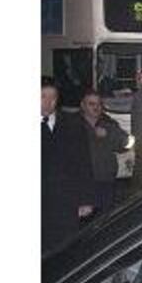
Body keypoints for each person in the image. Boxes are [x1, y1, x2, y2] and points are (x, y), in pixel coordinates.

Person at [42, 78, 94, 253]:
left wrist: (86, 199)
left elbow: (84, 163)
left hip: (66, 201)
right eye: (42, 97)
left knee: (66, 251)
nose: (48, 103)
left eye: (53, 97)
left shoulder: (72, 124)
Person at [79, 90, 129, 216]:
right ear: (83, 105)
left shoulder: (109, 123)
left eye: (99, 104)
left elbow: (128, 143)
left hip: (106, 180)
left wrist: (109, 135)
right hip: (82, 181)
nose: (96, 107)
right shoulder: (73, 124)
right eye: (91, 104)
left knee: (105, 219)